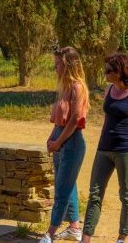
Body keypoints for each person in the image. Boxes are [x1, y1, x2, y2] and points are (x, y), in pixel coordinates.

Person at [81, 53, 128, 243]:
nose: (105, 73)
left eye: (109, 70)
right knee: (94, 193)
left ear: (121, 71)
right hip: (104, 149)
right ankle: (85, 238)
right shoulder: (109, 90)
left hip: (126, 151)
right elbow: (108, 118)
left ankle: (121, 238)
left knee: (126, 195)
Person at [39, 47, 90, 243]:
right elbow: (60, 120)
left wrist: (58, 141)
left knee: (61, 190)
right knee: (69, 186)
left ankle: (49, 234)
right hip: (61, 139)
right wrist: (52, 138)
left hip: (72, 142)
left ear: (68, 65)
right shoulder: (65, 87)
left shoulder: (78, 87)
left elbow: (76, 119)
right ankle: (74, 227)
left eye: (58, 64)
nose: (55, 68)